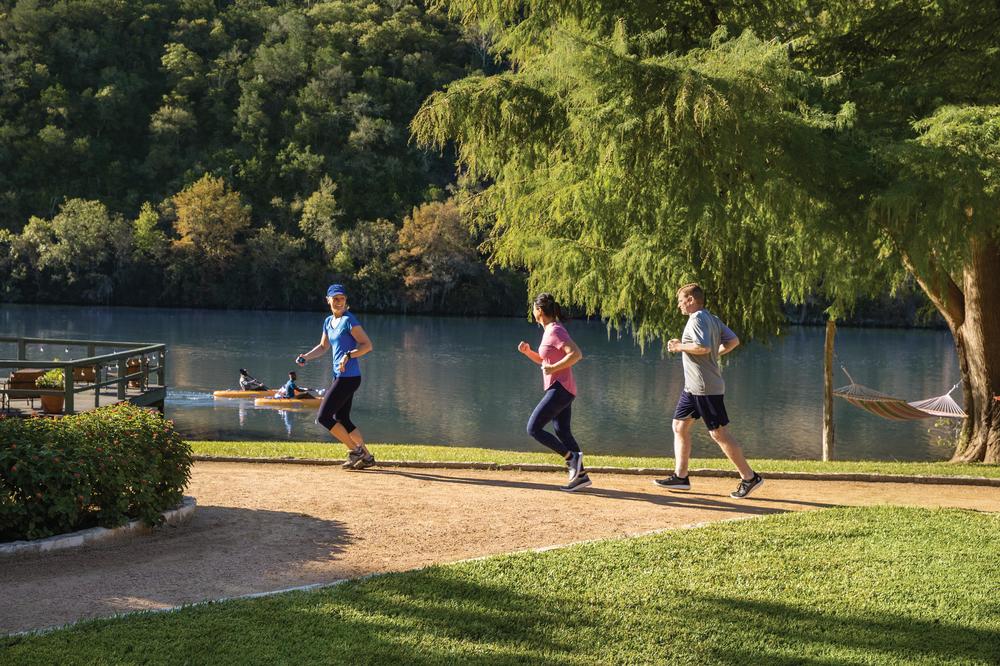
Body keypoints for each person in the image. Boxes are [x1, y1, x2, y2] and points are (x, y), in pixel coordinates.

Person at [654, 283, 763, 499]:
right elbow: (733, 341)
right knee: (679, 426)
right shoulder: (711, 318)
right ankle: (681, 477)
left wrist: (679, 347)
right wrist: (715, 356)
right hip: (692, 387)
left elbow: (702, 347)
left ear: (692, 300)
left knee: (718, 433)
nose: (679, 305)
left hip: (704, 388)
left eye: (681, 300)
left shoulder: (698, 319)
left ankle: (750, 477)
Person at [294, 283, 375, 469]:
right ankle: (367, 458)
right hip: (339, 376)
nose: (339, 302)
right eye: (335, 299)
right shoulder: (328, 322)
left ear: (346, 300)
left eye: (342, 298)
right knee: (343, 419)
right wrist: (306, 356)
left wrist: (349, 355)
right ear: (328, 300)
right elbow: (323, 347)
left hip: (349, 377)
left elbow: (367, 345)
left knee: (324, 417)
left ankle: (356, 451)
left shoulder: (349, 320)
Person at [518, 293, 591, 491]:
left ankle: (571, 458)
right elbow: (545, 362)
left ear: (539, 311)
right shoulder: (549, 330)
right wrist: (528, 353)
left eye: (534, 308)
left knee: (533, 428)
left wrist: (554, 368)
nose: (532, 311)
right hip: (562, 389)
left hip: (561, 388)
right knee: (562, 431)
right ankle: (581, 476)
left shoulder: (556, 330)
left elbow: (576, 354)